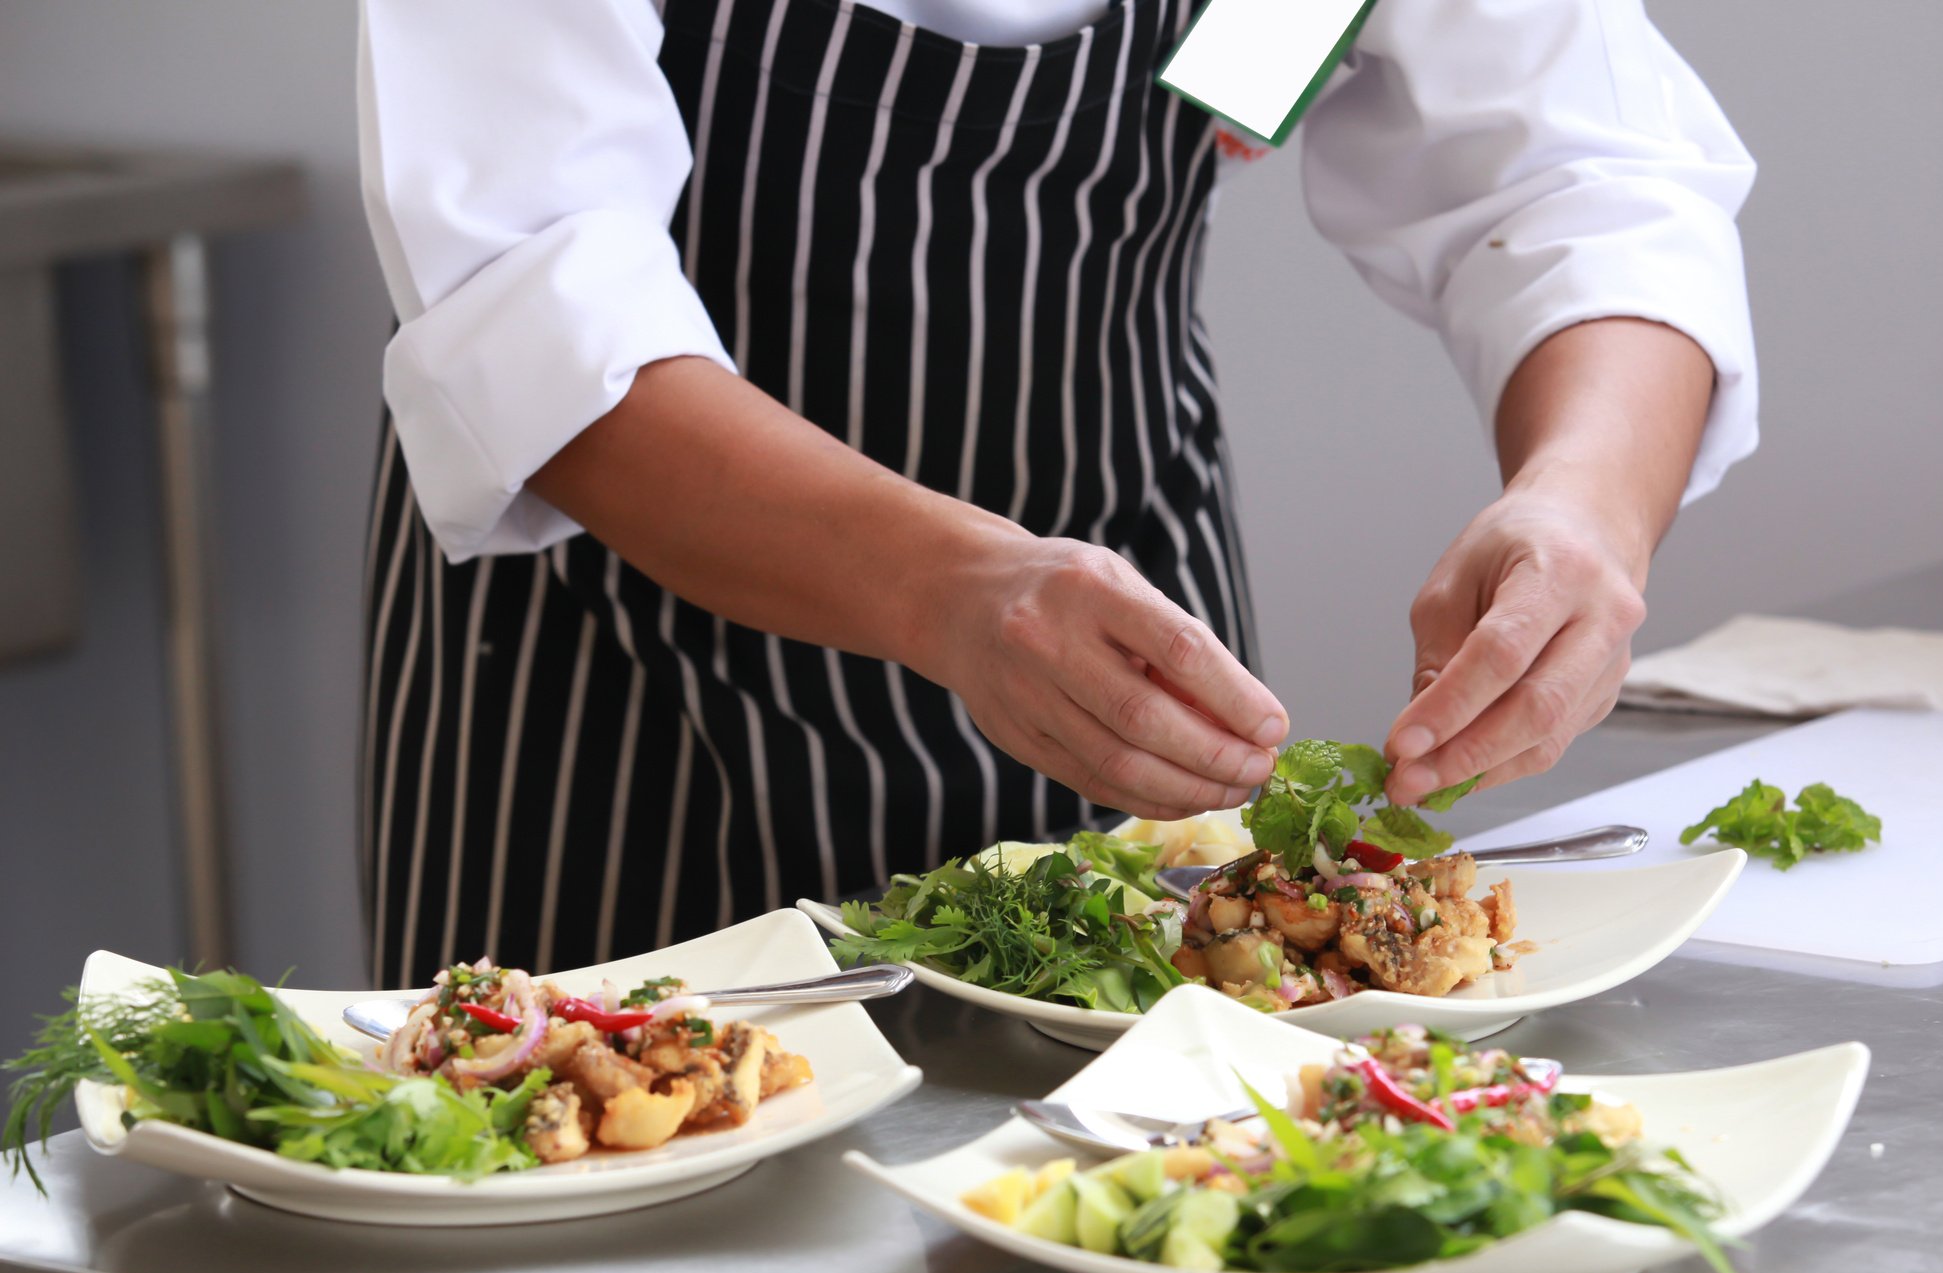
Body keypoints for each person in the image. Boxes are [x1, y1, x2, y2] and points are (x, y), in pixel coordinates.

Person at [356, 0, 1757, 985]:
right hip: (632, 685)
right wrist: (949, 589)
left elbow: (1581, 170)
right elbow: (533, 292)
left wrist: (1586, 503)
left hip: (1134, 608)